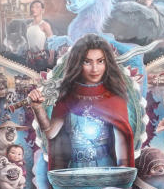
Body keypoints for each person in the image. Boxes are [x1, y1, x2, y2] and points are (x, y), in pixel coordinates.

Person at [26, 33, 134, 169]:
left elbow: (122, 143)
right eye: (87, 62)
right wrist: (37, 108)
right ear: (78, 63)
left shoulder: (115, 98)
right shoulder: (68, 96)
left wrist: (122, 176)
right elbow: (50, 133)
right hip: (75, 171)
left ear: (107, 62)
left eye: (100, 61)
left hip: (106, 170)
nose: (95, 69)